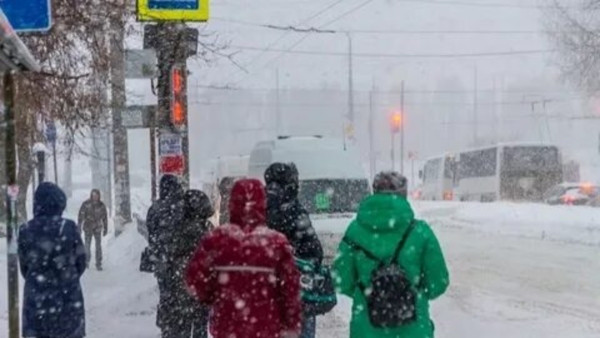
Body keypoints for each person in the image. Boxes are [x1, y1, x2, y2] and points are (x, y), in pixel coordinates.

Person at [333, 172, 450, 338]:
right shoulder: (420, 231)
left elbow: (341, 281)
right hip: (414, 329)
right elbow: (438, 283)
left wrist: (369, 293)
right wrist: (409, 293)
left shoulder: (354, 231)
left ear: (374, 192)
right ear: (403, 194)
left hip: (366, 330)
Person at [186, 179, 302, 338]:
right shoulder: (276, 243)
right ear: (263, 203)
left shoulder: (217, 240)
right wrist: (291, 325)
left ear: (232, 203)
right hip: (267, 328)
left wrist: (216, 298)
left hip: (227, 327)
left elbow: (196, 280)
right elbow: (291, 289)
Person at [18, 182, 87, 338]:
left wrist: (39, 277)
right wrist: (67, 275)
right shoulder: (69, 228)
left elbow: (24, 267)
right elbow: (81, 261)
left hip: (36, 300)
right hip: (67, 298)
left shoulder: (25, 230)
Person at [264, 162, 324, 338]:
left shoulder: (255, 210)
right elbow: (315, 253)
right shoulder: (295, 212)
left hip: (261, 297)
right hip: (295, 295)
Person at [167, 190, 214, 338]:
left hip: (183, 281)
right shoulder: (205, 228)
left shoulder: (179, 227)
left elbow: (171, 253)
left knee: (184, 324)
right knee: (200, 323)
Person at [145, 175, 185, 338]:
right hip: (181, 260)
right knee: (180, 294)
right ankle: (180, 324)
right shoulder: (182, 207)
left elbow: (151, 233)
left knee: (166, 295)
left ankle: (167, 327)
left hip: (162, 261)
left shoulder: (155, 208)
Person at [77, 189, 108, 271]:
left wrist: (105, 228)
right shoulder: (86, 204)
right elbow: (81, 216)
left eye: (96, 195)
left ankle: (98, 263)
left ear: (99, 196)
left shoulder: (101, 205)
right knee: (87, 245)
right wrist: (79, 227)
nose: (95, 197)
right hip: (88, 227)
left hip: (98, 228)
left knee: (98, 246)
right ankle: (86, 261)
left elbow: (104, 217)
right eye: (94, 195)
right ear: (91, 196)